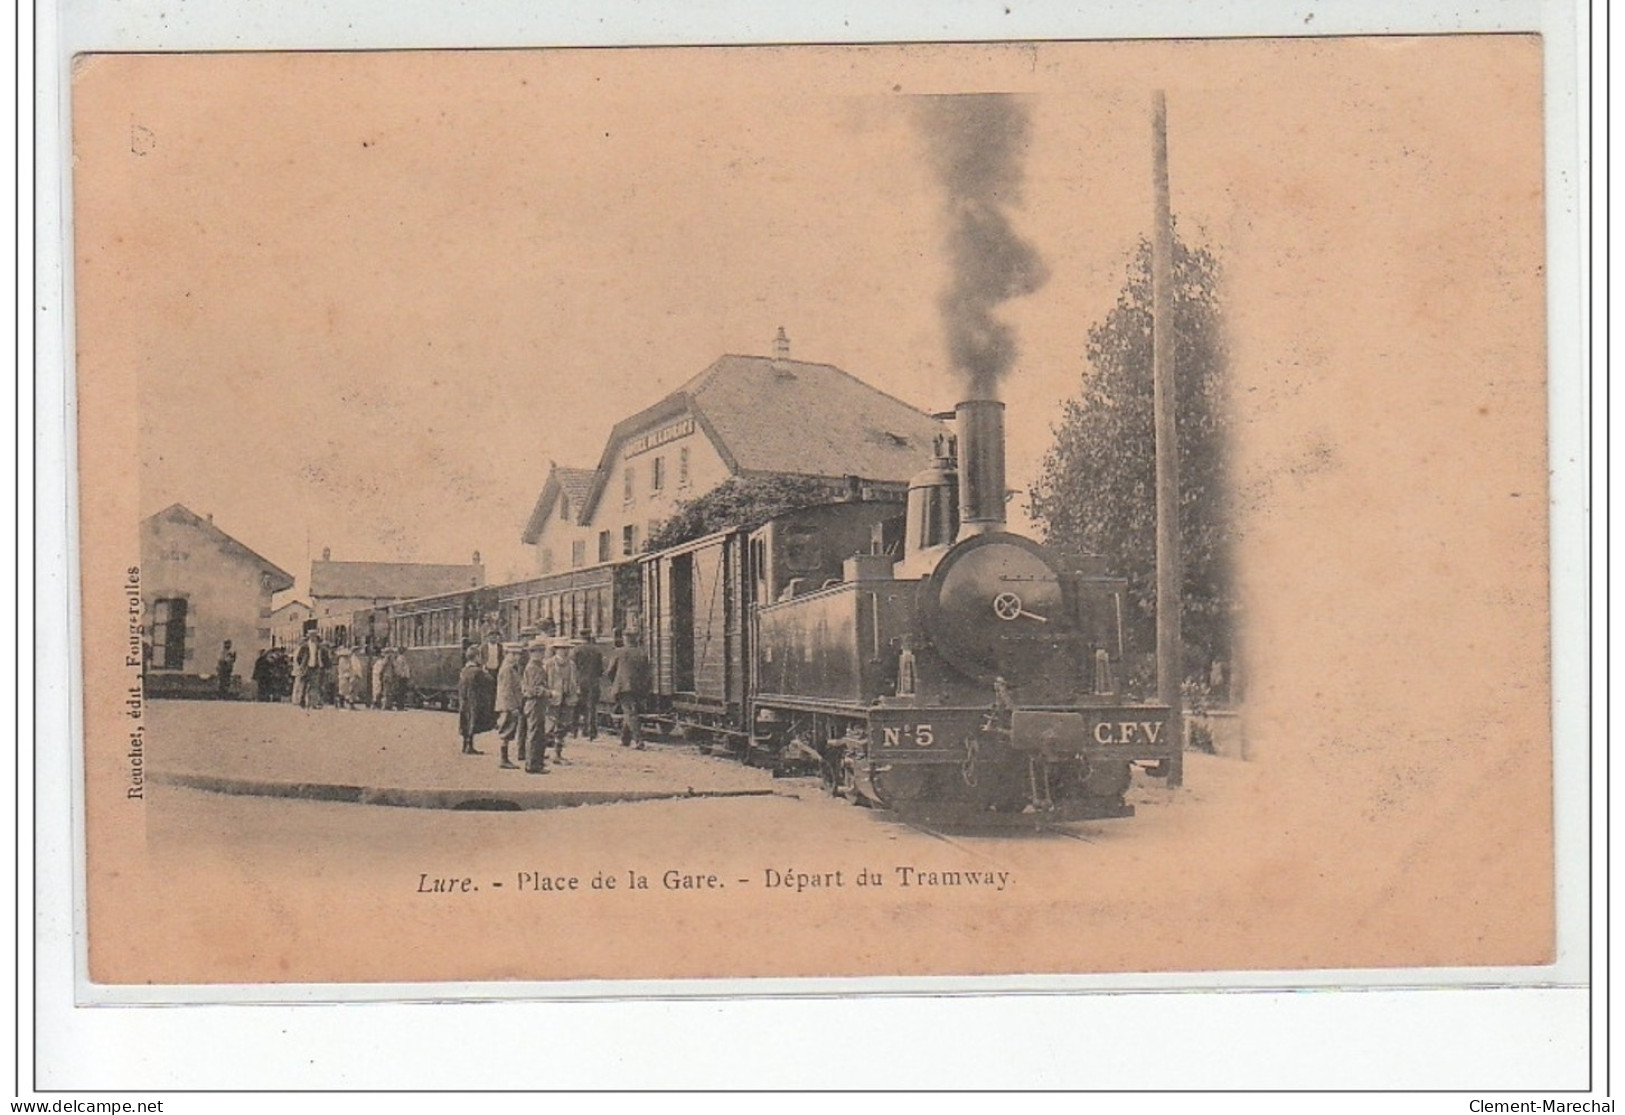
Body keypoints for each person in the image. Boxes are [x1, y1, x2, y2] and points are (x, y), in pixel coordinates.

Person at [605, 631, 653, 750]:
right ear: (636, 639)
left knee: (630, 713)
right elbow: (648, 673)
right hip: (638, 687)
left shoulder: (619, 652)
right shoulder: (642, 653)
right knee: (630, 711)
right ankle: (625, 739)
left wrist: (615, 682)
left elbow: (610, 671)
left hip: (623, 687)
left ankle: (638, 741)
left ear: (625, 639)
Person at [456, 647, 496, 755]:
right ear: (476, 657)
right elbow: (490, 681)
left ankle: (465, 745)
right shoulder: (477, 671)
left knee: (465, 720)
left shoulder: (464, 670)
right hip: (474, 700)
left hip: (464, 700)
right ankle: (469, 746)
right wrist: (486, 671)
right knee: (472, 721)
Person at [493, 643, 526, 770]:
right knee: (507, 731)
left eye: (518, 654)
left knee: (509, 730)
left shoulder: (510, 667)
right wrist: (513, 707)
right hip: (508, 705)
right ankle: (504, 759)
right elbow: (507, 690)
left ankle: (505, 758)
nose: (516, 657)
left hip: (509, 704)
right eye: (513, 654)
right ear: (507, 654)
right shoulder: (507, 669)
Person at [544, 641, 577, 762]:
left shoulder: (571, 664)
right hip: (553, 698)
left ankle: (557, 754)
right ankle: (539, 752)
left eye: (567, 648)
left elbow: (574, 681)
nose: (565, 651)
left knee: (563, 726)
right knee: (548, 726)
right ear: (556, 650)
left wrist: (574, 694)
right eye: (562, 648)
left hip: (567, 698)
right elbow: (544, 681)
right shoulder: (549, 664)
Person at [521, 639, 550, 774]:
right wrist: (550, 693)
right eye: (540, 652)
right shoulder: (534, 668)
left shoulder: (534, 666)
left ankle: (535, 762)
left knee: (536, 732)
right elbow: (535, 689)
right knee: (535, 733)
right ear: (534, 653)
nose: (543, 654)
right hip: (535, 703)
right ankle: (533, 765)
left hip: (535, 703)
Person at [571, 631, 606, 741]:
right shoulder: (597, 650)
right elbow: (601, 669)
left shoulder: (576, 650)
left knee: (576, 707)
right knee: (591, 707)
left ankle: (574, 731)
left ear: (581, 638)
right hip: (593, 682)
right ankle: (591, 733)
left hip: (579, 681)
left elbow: (572, 667)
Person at [292, 631, 328, 709]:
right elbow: (299, 657)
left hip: (315, 667)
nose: (313, 638)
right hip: (306, 667)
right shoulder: (304, 646)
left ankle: (312, 703)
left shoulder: (319, 647)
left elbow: (325, 657)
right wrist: (302, 665)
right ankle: (302, 701)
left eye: (314, 636)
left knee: (314, 686)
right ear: (309, 637)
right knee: (304, 685)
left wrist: (322, 665)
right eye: (311, 636)